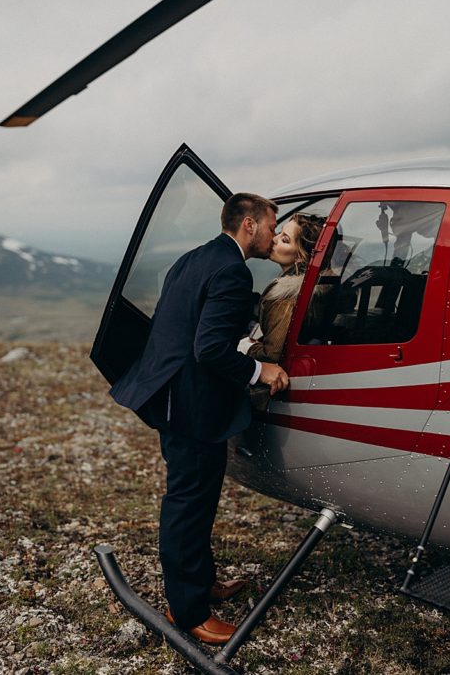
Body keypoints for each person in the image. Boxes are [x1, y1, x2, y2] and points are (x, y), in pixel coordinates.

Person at [109, 193, 290, 645]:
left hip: (172, 396)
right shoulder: (232, 269)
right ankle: (188, 611)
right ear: (249, 225)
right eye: (271, 225)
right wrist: (259, 369)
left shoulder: (194, 258)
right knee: (188, 504)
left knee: (199, 497)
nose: (273, 234)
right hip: (192, 404)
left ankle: (201, 582)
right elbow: (208, 348)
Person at [239, 213, 324, 409]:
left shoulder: (285, 297)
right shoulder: (310, 289)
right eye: (278, 233)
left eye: (285, 240)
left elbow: (273, 355)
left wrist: (246, 346)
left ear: (301, 256)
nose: (274, 239)